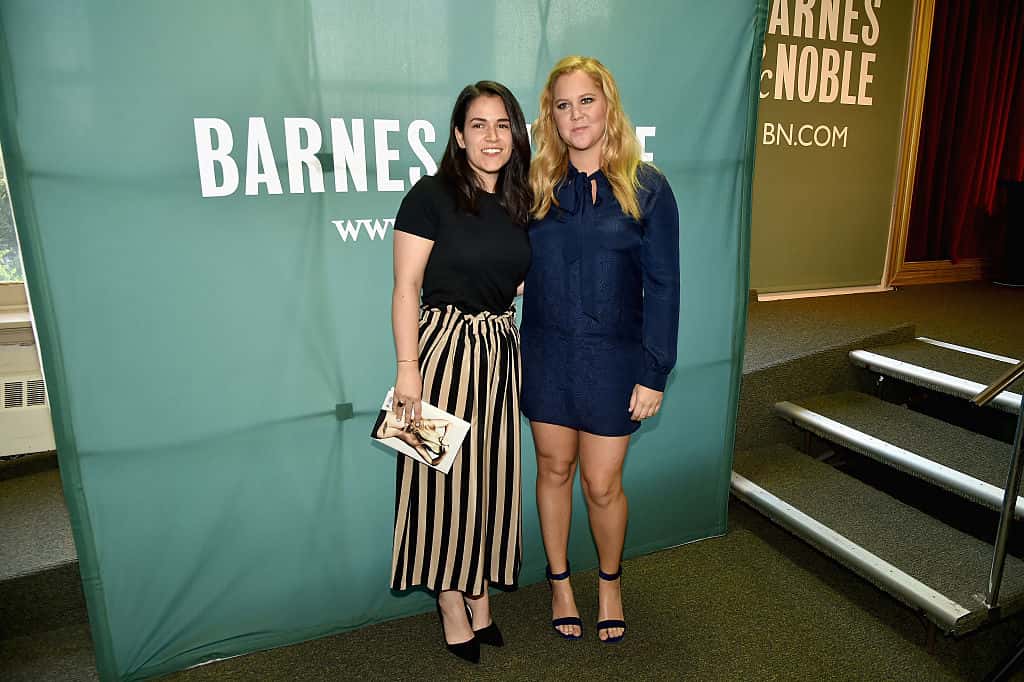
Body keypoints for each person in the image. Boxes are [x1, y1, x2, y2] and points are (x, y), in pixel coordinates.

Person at [521, 56, 680, 644]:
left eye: (586, 100)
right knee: (553, 469)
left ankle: (609, 583)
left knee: (602, 484)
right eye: (563, 105)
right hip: (546, 354)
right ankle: (560, 580)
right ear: (552, 118)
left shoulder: (649, 188)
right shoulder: (536, 186)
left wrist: (655, 370)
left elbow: (665, 287)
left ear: (607, 106)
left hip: (615, 360)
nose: (575, 114)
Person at [389, 80, 532, 664]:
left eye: (502, 124)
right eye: (478, 125)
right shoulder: (429, 196)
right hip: (442, 350)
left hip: (500, 352)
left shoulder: (524, 199)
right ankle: (449, 600)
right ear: (458, 134)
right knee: (435, 482)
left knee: (489, 482)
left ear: (515, 134)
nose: (491, 136)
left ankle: (479, 591)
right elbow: (405, 289)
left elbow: (517, 278)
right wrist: (407, 369)